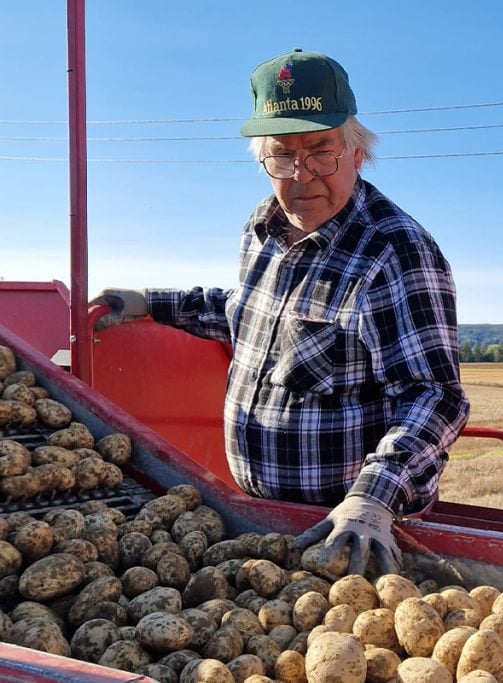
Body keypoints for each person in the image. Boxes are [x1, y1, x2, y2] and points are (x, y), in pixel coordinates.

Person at [91, 49, 470, 577]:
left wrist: (374, 498)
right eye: (281, 154)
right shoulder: (261, 226)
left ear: (357, 152)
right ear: (260, 157)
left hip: (350, 531)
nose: (302, 174)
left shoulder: (394, 251)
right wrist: (151, 302)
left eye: (321, 150)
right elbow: (249, 315)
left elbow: (435, 396)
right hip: (260, 514)